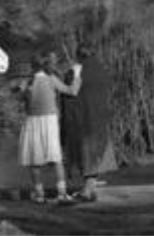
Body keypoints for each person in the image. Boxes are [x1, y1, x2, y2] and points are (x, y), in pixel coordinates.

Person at [20, 51, 81, 204]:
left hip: (32, 122)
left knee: (34, 160)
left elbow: (23, 101)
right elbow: (72, 91)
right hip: (49, 121)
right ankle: (62, 193)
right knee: (56, 158)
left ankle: (39, 195)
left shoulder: (28, 82)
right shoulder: (51, 79)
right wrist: (77, 74)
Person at [60, 45, 116, 202]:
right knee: (95, 154)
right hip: (100, 119)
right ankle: (89, 189)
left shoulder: (78, 71)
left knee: (86, 154)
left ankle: (87, 190)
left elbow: (72, 92)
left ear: (78, 56)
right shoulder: (101, 70)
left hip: (84, 120)